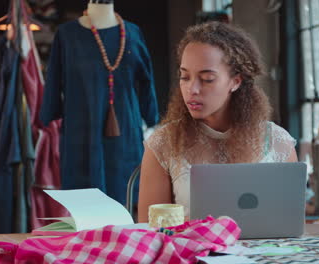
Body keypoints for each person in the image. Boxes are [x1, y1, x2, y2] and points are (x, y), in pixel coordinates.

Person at [138, 22, 297, 222]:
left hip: (265, 253)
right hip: (189, 252)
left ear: (236, 82)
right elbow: (149, 230)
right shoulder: (164, 143)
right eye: (185, 77)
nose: (192, 89)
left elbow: (290, 223)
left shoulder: (277, 141)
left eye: (206, 79)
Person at [40, 0, 159, 206]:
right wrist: (49, 111)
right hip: (81, 132)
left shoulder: (132, 32)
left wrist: (151, 114)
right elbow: (53, 78)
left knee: (126, 196)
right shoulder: (67, 34)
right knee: (84, 202)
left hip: (124, 132)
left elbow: (146, 79)